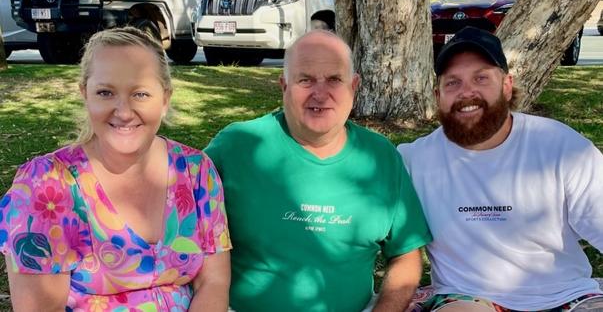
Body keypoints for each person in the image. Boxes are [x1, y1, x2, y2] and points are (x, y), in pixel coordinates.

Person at [0, 27, 232, 311]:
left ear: (165, 98)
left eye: (141, 94)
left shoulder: (197, 171)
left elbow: (214, 282)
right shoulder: (45, 185)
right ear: (85, 94)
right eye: (106, 92)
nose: (123, 111)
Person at [204, 30, 432, 312]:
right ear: (283, 85)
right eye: (305, 80)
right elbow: (177, 213)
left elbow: (407, 254)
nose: (320, 93)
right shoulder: (237, 146)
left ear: (354, 86)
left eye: (335, 79)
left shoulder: (380, 157)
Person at [397, 26, 603, 312]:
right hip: (466, 297)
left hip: (566, 295)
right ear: (437, 95)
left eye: (481, 78)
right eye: (452, 82)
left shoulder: (561, 146)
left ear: (507, 86)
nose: (466, 92)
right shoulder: (413, 160)